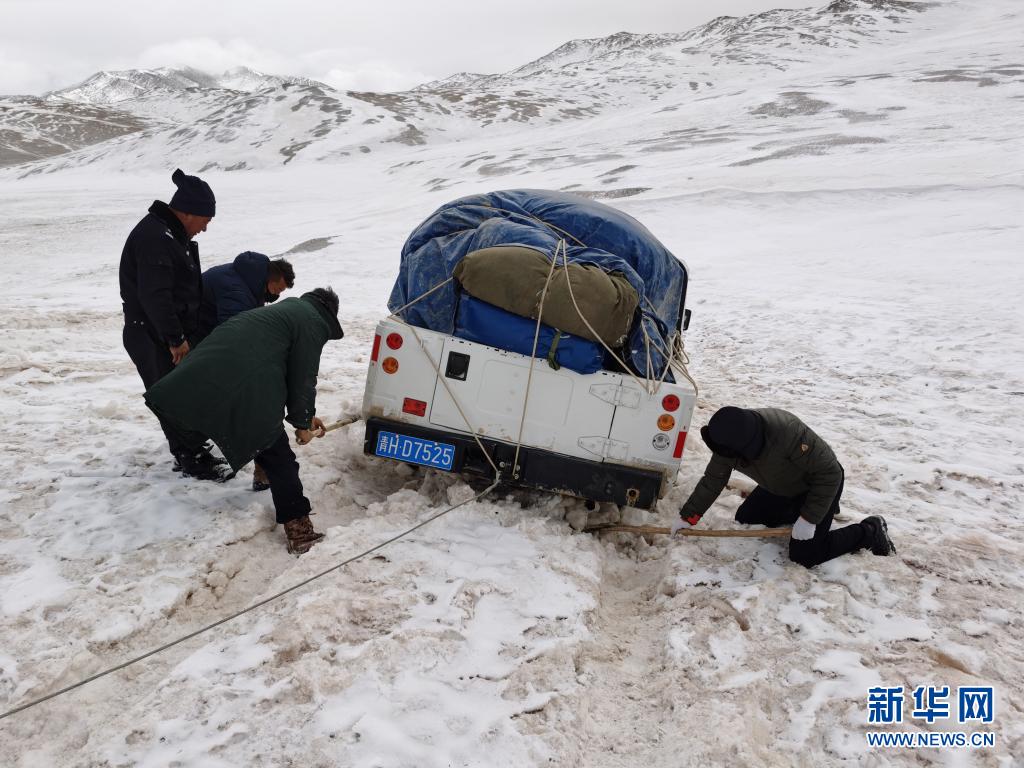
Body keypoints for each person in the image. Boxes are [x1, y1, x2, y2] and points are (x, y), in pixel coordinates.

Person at [144, 288, 344, 554]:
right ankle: (300, 531)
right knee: (279, 454)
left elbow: (277, 366)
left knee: (261, 429)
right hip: (243, 383)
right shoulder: (311, 322)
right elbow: (302, 379)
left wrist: (305, 418)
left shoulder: (285, 313)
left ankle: (263, 476)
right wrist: (301, 423)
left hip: (209, 372)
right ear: (329, 314)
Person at [672, 406, 895, 567]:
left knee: (805, 555)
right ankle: (801, 514)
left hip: (818, 486)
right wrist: (689, 516)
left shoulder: (788, 432)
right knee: (747, 518)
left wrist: (809, 518)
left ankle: (870, 531)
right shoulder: (727, 441)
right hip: (782, 486)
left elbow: (830, 473)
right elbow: (713, 480)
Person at [119, 167, 220, 473]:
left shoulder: (168, 234)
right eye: (206, 220)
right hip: (151, 333)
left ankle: (193, 450)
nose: (205, 229)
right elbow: (156, 295)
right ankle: (190, 459)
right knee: (171, 396)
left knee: (182, 392)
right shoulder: (156, 238)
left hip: (161, 331)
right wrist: (175, 338)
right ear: (188, 212)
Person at [194, 252, 296, 492]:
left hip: (206, 336)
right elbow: (235, 336)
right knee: (242, 398)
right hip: (198, 339)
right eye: (277, 290)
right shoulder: (237, 291)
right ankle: (194, 452)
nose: (276, 296)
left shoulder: (249, 282)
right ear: (269, 279)